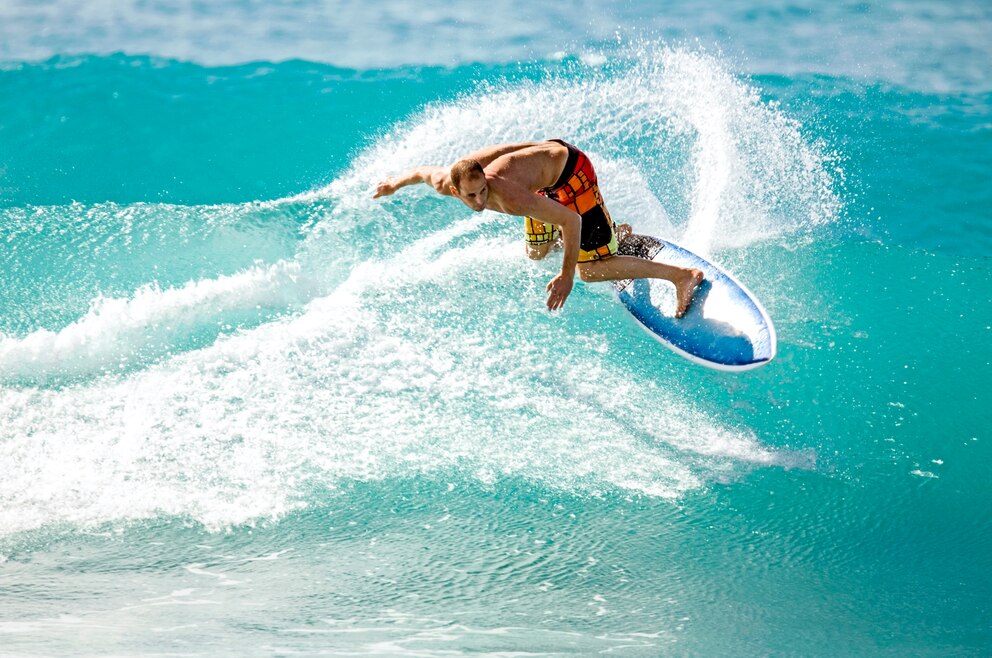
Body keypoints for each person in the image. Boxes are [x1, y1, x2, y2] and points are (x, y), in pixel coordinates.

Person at [373, 139, 703, 315]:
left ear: (487, 180)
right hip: (541, 182)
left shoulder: (511, 197)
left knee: (587, 271)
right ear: (455, 190)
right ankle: (605, 237)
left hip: (573, 174)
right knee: (536, 252)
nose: (478, 202)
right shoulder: (449, 181)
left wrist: (566, 276)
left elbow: (570, 219)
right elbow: (421, 172)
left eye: (483, 192)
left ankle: (681, 276)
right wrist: (395, 184)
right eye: (470, 196)